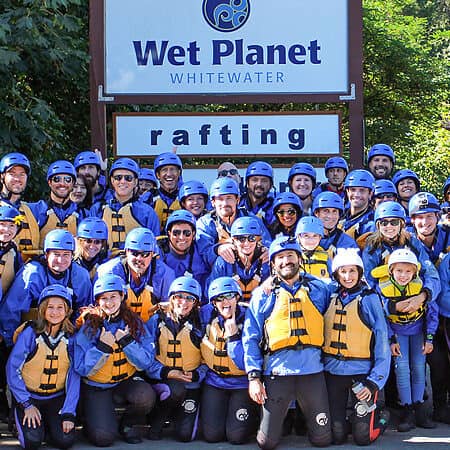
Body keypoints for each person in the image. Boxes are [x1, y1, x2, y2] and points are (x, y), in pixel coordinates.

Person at [243, 237, 332, 449]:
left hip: (311, 371)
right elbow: (251, 337)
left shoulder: (320, 289)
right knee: (267, 443)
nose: (286, 261)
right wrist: (254, 377)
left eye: (290, 256)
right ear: (272, 264)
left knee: (323, 440)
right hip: (277, 372)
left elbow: (347, 287)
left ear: (299, 259)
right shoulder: (262, 295)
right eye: (280, 258)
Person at [74, 274, 156, 446]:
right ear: (97, 301)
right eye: (104, 298)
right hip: (98, 386)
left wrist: (127, 342)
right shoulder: (89, 325)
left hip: (124, 382)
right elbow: (81, 367)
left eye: (113, 296)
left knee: (145, 396)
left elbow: (146, 362)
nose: (109, 302)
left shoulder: (134, 322)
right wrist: (102, 347)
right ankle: (93, 418)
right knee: (103, 438)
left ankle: (127, 424)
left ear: (122, 297)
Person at [323, 249, 390, 445]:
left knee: (363, 437)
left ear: (360, 272)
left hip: (361, 374)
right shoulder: (330, 295)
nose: (348, 276)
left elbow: (382, 341)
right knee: (336, 435)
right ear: (336, 274)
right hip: (333, 372)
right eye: (343, 271)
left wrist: (373, 381)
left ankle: (381, 417)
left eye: (352, 271)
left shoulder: (369, 299)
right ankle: (351, 421)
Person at [7, 284, 79, 450]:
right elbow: (12, 369)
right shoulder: (30, 334)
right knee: (32, 443)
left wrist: (69, 413)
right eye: (50, 307)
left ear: (67, 310)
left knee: (65, 441)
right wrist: (26, 404)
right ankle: (22, 420)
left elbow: (74, 377)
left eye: (60, 307)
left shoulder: (72, 337)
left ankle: (48, 425)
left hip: (56, 398)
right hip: (30, 397)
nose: (55, 312)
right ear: (42, 310)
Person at [377, 249, 438, 431]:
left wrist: (430, 338)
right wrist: (390, 340)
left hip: (419, 333)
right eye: (399, 271)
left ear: (415, 273)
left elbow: (432, 314)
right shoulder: (383, 289)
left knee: (419, 368)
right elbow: (381, 318)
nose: (403, 275)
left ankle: (419, 409)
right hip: (398, 334)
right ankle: (407, 409)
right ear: (391, 272)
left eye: (408, 271)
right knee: (402, 369)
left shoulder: (421, 289)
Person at [0, 229, 92, 347]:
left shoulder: (80, 275)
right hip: (33, 333)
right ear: (46, 254)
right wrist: (12, 343)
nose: (61, 260)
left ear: (72, 256)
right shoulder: (32, 274)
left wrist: (73, 339)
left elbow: (84, 311)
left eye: (66, 255)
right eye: (56, 254)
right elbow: (11, 310)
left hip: (65, 335)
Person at [145, 276, 205, 442]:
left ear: (195, 303)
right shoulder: (155, 321)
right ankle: (158, 416)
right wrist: (167, 372)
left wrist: (197, 375)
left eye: (189, 298)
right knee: (174, 390)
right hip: (164, 379)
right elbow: (146, 358)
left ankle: (178, 415)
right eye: (178, 296)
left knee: (186, 436)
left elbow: (210, 359)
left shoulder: (202, 324)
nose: (183, 302)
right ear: (171, 298)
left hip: (191, 381)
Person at [200, 277, 258, 444]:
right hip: (215, 382)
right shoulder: (206, 316)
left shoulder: (250, 318)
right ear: (213, 303)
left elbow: (243, 363)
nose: (225, 302)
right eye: (220, 298)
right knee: (212, 436)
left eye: (230, 296)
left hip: (241, 383)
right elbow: (182, 308)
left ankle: (252, 419)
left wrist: (233, 337)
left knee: (236, 437)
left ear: (237, 297)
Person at [96, 227, 175, 322]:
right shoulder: (108, 272)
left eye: (145, 254)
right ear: (126, 252)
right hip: (118, 326)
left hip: (152, 327)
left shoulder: (165, 274)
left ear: (153, 254)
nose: (139, 258)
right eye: (134, 253)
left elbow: (169, 311)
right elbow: (101, 307)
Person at [91, 157, 160, 256]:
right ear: (112, 180)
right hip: (104, 264)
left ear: (135, 182)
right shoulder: (97, 209)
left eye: (128, 178)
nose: (123, 182)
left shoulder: (147, 212)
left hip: (136, 263)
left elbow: (155, 246)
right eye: (118, 178)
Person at [196, 177, 270, 268]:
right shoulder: (205, 223)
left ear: (237, 200)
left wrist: (267, 251)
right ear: (213, 202)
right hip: (218, 273)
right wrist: (217, 249)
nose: (225, 203)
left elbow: (267, 243)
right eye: (220, 199)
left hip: (251, 272)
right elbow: (203, 255)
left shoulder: (252, 220)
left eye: (229, 198)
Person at [208, 216, 270, 302]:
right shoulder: (223, 262)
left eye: (251, 238)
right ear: (233, 240)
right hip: (231, 309)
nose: (246, 243)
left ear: (258, 240)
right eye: (241, 239)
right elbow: (212, 292)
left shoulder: (266, 260)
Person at [32, 160, 87, 250]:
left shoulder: (82, 213)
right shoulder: (36, 210)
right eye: (57, 179)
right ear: (49, 182)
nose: (62, 183)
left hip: (71, 261)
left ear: (73, 183)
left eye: (67, 180)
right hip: (42, 261)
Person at [158, 209, 209, 302]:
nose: (181, 237)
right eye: (176, 233)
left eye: (187, 233)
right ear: (169, 234)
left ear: (193, 235)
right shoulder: (158, 251)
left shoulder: (201, 254)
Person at [0, 152, 42, 262]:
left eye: (22, 174)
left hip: (29, 271)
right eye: (12, 174)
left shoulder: (32, 210)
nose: (17, 179)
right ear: (2, 176)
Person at [312, 192, 358, 259]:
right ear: (317, 213)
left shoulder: (348, 243)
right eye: (326, 211)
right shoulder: (306, 239)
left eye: (334, 211)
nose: (330, 216)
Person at [340, 169, 375, 245]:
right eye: (353, 190)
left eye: (362, 190)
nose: (356, 194)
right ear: (347, 191)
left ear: (370, 194)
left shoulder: (373, 223)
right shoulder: (339, 216)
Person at [435, 252, 450, 422]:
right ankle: (440, 406)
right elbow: (443, 294)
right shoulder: (447, 261)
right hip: (447, 319)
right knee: (441, 364)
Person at [152, 152, 183, 232]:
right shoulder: (149, 197)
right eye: (164, 170)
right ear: (158, 175)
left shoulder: (186, 197)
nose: (169, 174)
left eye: (173, 169)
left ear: (179, 173)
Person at [296, 216, 332, 283]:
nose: (311, 240)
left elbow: (334, 278)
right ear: (298, 237)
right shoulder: (293, 255)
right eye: (306, 236)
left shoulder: (325, 256)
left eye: (315, 236)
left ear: (320, 237)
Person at [239, 161, 275, 227]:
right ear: (247, 183)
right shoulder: (237, 204)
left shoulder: (276, 207)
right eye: (254, 180)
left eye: (264, 180)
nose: (259, 184)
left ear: (271, 185)